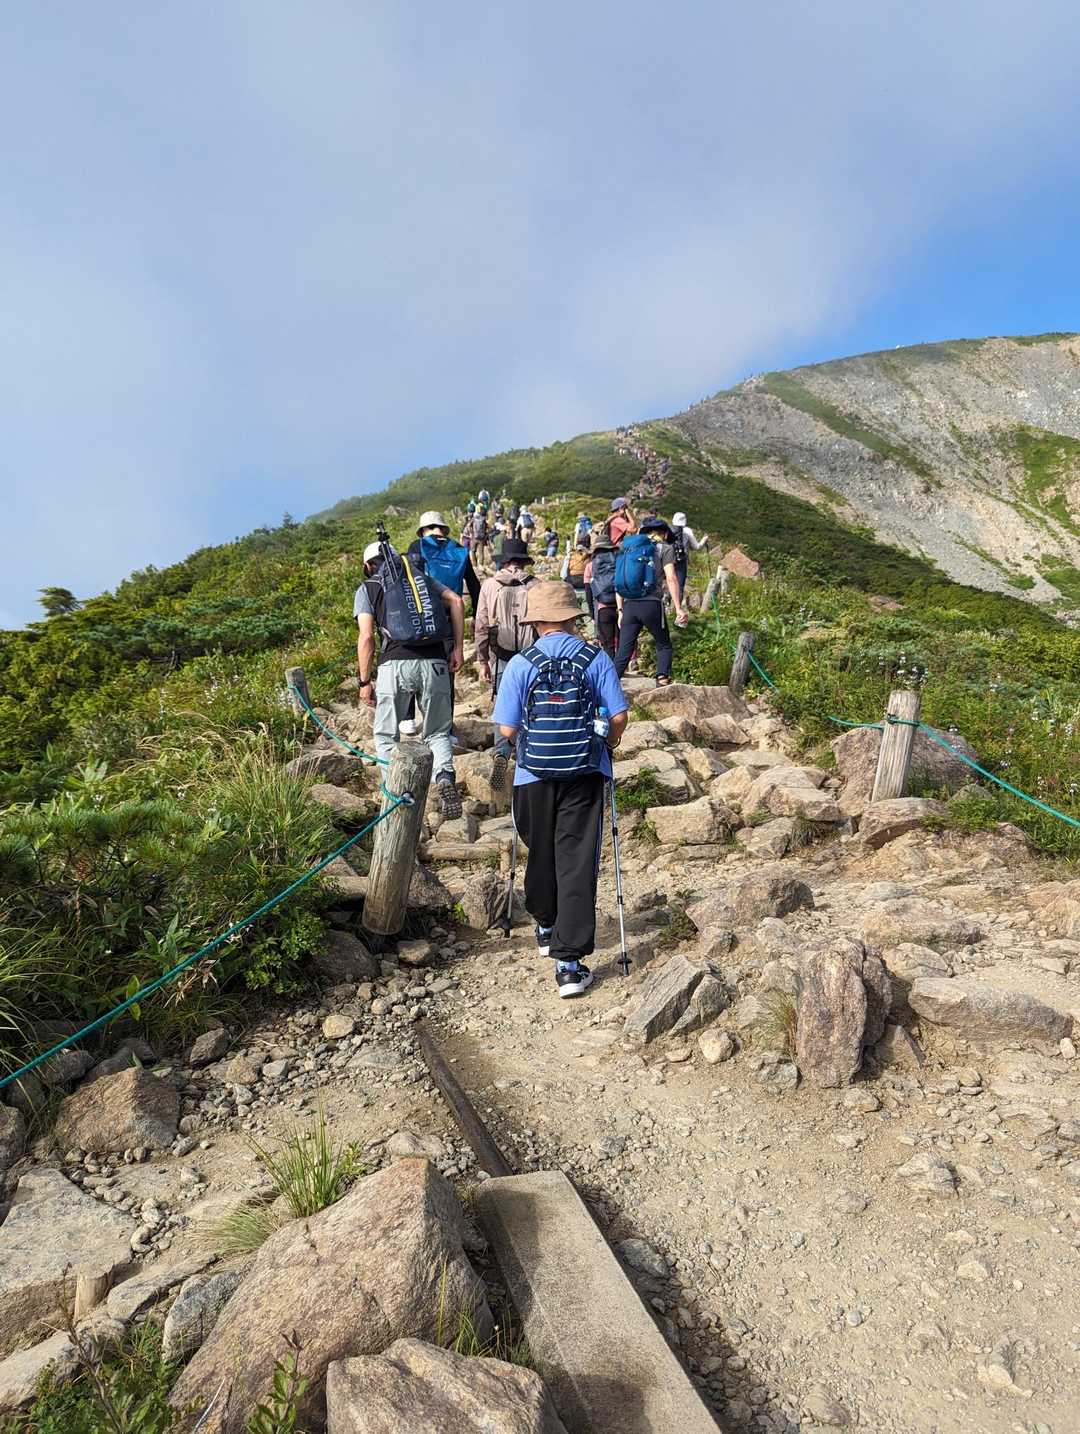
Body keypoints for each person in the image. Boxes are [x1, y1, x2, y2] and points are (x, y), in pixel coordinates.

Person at [493, 581, 628, 996]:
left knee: (541, 850)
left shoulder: (521, 663)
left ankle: (545, 924)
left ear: (534, 622)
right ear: (572, 618)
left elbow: (507, 729)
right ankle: (569, 965)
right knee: (576, 861)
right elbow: (619, 717)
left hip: (532, 775)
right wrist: (608, 743)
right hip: (584, 772)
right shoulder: (595, 658)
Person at [354, 540, 465, 817]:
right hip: (435, 662)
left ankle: (397, 796)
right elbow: (456, 601)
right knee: (437, 732)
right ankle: (444, 776)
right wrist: (458, 649)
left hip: (394, 664)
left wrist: (364, 682)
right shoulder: (421, 579)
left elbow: (366, 637)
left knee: (386, 734)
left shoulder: (368, 588)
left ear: (368, 566)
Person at [474, 538, 538, 791]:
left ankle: (502, 750)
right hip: (532, 656)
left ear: (503, 560)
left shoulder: (490, 585)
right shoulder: (535, 585)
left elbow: (481, 626)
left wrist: (483, 661)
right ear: (523, 561)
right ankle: (527, 755)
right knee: (532, 704)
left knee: (504, 704)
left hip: (501, 656)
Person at [612, 517, 688, 686]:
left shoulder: (629, 549)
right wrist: (678, 607)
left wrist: (620, 610)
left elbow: (619, 581)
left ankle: (608, 686)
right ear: (665, 533)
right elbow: (671, 578)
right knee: (663, 644)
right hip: (651, 604)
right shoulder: (664, 548)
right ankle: (662, 680)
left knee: (624, 650)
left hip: (629, 605)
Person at [408, 511, 481, 615]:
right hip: (454, 612)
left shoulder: (417, 546)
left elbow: (410, 579)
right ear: (443, 529)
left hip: (428, 613)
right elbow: (473, 584)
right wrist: (476, 614)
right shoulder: (459, 549)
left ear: (423, 529)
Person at [585, 531, 619, 657]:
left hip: (603, 608)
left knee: (608, 644)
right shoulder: (618, 562)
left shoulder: (590, 565)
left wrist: (591, 613)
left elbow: (588, 591)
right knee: (622, 642)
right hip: (621, 607)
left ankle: (612, 666)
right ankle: (627, 663)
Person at [669, 511, 709, 601]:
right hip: (681, 561)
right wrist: (704, 539)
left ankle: (666, 601)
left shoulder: (668, 529)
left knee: (669, 580)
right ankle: (677, 606)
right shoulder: (687, 531)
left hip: (668, 560)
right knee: (680, 585)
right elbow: (696, 547)